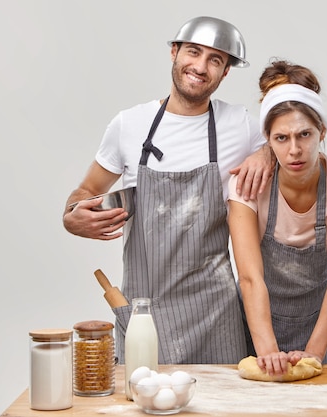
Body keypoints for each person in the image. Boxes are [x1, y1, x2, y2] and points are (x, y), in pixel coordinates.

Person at [62, 16, 274, 365]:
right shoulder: (128, 125)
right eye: (193, 52)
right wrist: (71, 218)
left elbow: (291, 139)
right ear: (174, 52)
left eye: (215, 60)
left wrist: (266, 152)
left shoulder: (239, 124)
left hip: (214, 313)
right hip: (145, 311)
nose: (201, 66)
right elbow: (85, 191)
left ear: (225, 73)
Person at [228, 60, 327, 376]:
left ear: (322, 131)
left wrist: (314, 354)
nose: (295, 149)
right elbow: (250, 277)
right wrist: (267, 352)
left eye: (305, 135)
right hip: (256, 332)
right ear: (267, 140)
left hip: (321, 333)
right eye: (281, 138)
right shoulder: (246, 186)